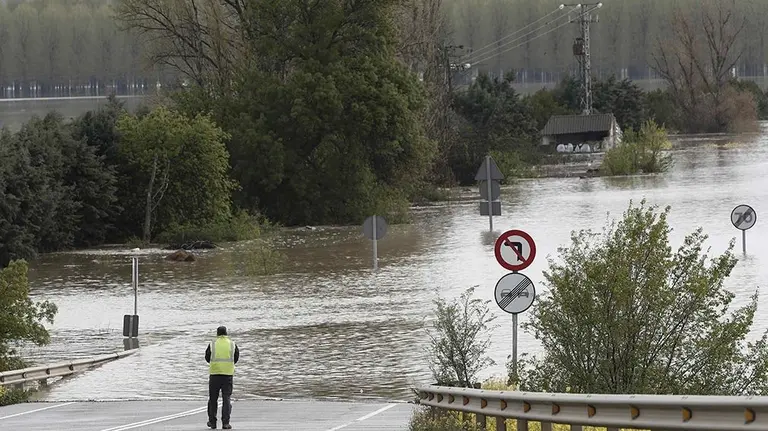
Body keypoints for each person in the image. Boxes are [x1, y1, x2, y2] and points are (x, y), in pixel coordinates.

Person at [205, 325, 239, 430]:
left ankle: (212, 422)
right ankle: (225, 423)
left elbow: (207, 357)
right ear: (226, 333)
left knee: (213, 399)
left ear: (217, 333)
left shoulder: (212, 344)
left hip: (214, 374)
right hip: (228, 375)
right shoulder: (232, 344)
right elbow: (236, 358)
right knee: (226, 398)